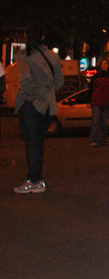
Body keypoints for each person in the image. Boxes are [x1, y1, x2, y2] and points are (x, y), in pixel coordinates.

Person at [14, 22, 64, 194]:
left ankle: (34, 180)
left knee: (31, 143)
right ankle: (36, 179)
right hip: (48, 105)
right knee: (39, 142)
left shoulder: (24, 56)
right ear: (42, 37)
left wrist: (31, 97)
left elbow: (25, 79)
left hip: (31, 104)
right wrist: (46, 94)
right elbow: (59, 81)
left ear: (26, 36)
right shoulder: (52, 56)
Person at [88, 58, 109, 147]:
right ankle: (94, 139)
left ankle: (102, 139)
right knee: (96, 121)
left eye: (105, 64)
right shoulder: (96, 76)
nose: (103, 65)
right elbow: (91, 89)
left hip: (105, 101)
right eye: (102, 64)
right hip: (97, 101)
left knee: (103, 122)